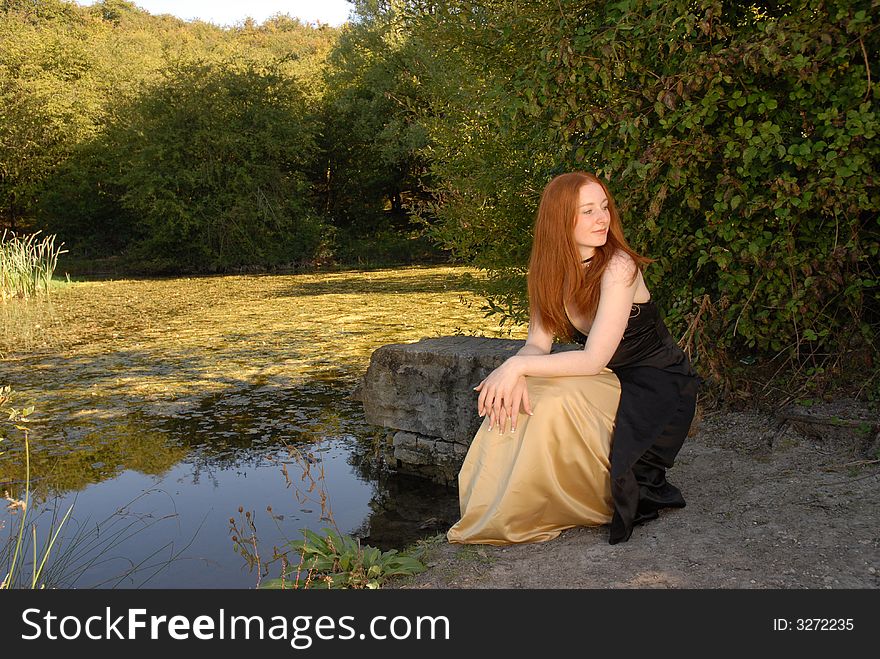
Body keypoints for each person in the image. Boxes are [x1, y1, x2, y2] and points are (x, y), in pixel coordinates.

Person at [447, 171, 699, 546]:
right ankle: (501, 506)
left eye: (604, 207)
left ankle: (548, 499)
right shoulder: (547, 271)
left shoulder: (619, 267)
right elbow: (537, 344)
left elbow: (592, 359)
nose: (603, 219)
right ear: (560, 220)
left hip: (658, 385)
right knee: (525, 395)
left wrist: (514, 366)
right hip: (609, 381)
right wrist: (516, 373)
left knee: (553, 396)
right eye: (588, 211)